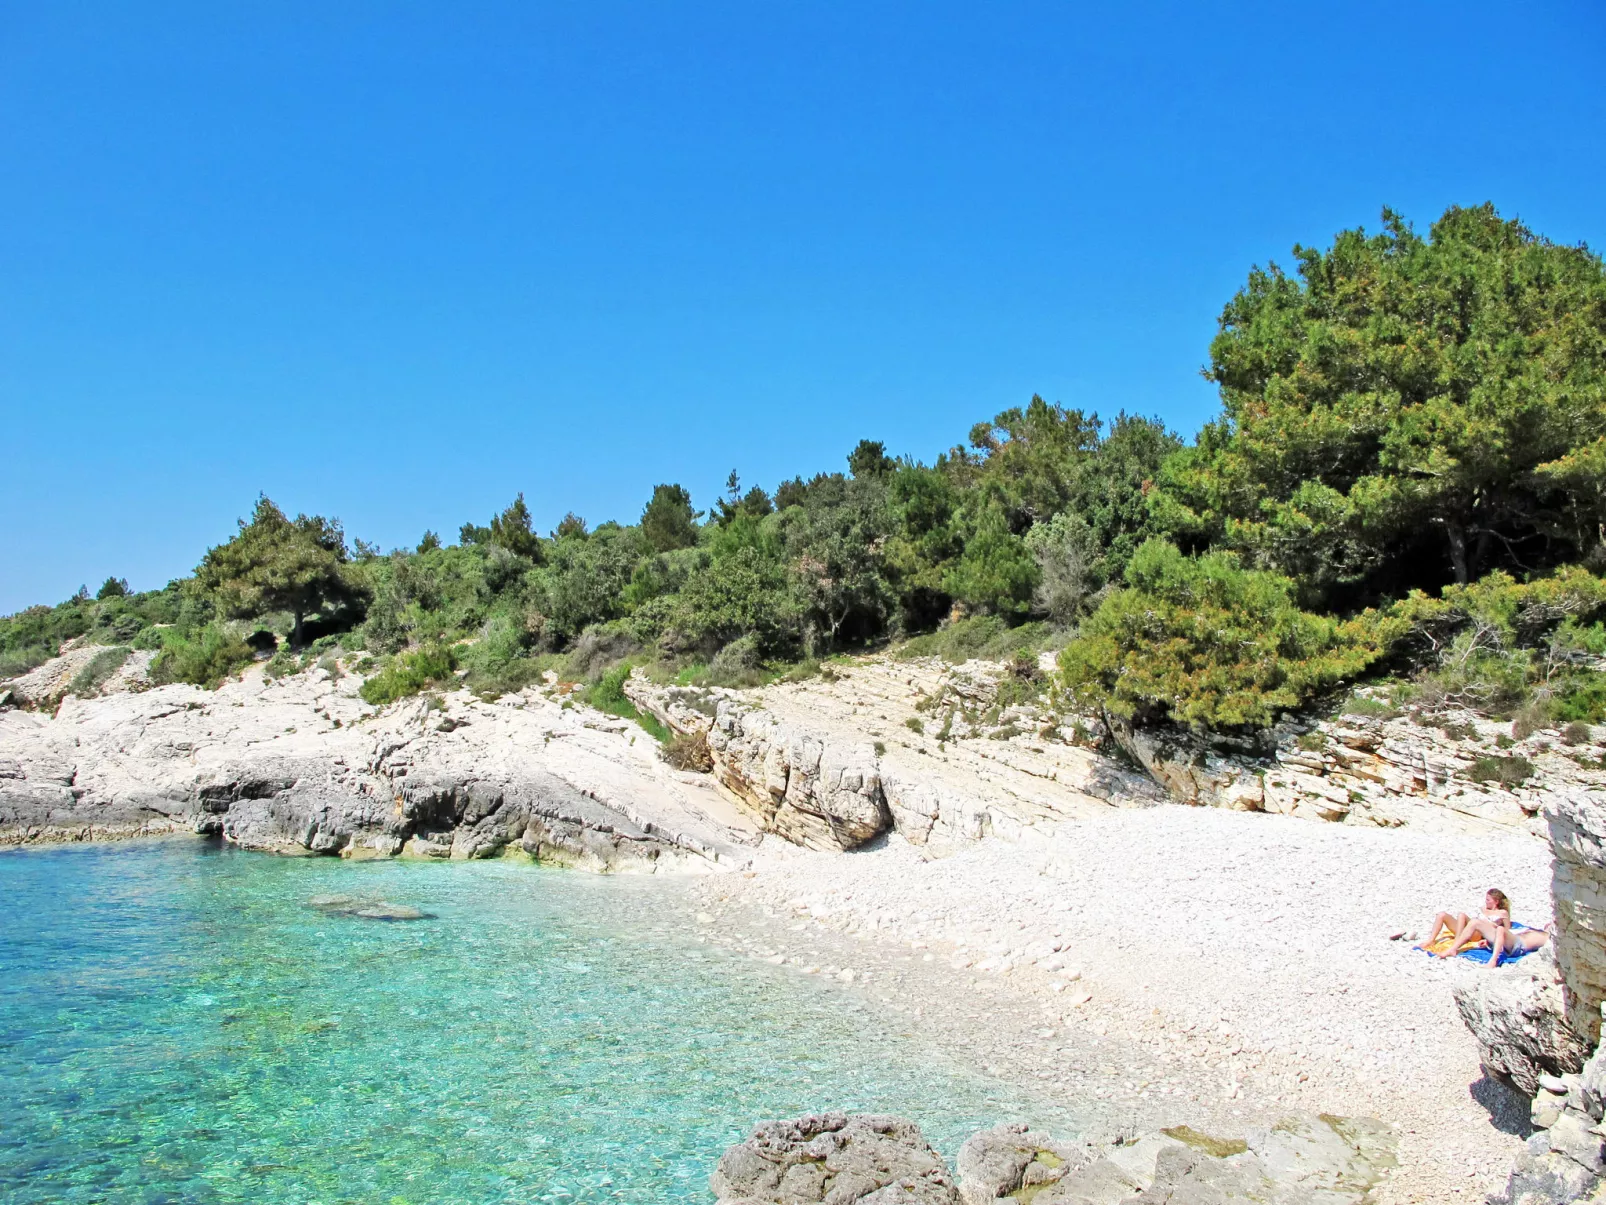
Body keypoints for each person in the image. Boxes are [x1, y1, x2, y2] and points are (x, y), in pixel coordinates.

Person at [1417, 889, 1511, 959]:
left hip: (1479, 934)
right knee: (1442, 915)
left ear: (1496, 901)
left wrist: (1495, 929)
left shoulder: (1502, 913)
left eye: (1488, 900)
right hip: (1470, 929)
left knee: (1464, 916)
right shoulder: (1483, 908)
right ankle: (1431, 940)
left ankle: (1455, 943)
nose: (1485, 902)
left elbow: (1507, 929)